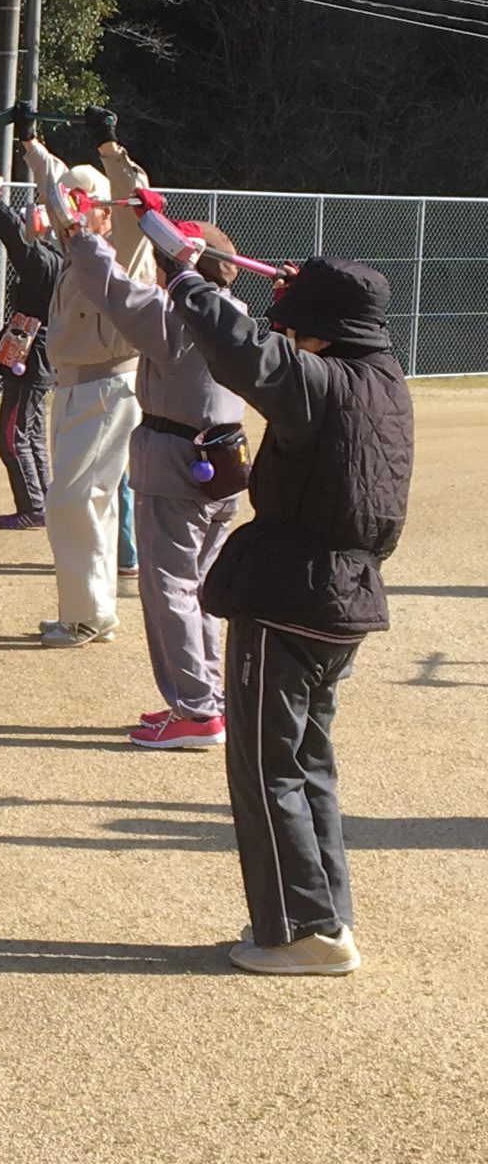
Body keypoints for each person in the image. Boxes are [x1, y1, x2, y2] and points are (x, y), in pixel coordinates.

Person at [159, 234, 413, 975]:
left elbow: (244, 351)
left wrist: (185, 277)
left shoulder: (322, 382)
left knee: (267, 767)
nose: (290, 336)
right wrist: (297, 298)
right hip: (344, 595)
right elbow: (284, 344)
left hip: (291, 593)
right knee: (307, 764)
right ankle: (324, 919)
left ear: (323, 332)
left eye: (300, 326)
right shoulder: (384, 377)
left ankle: (301, 932)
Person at [50, 168, 248, 750]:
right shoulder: (235, 315)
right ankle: (206, 698)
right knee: (201, 588)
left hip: (178, 462)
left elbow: (107, 284)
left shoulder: (178, 320)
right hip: (222, 462)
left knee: (170, 590)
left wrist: (83, 230)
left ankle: (193, 707)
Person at [24, 132, 154, 647]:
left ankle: (87, 617)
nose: (70, 212)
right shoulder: (76, 242)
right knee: (87, 501)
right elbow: (57, 187)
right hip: (77, 386)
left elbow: (133, 192)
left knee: (75, 500)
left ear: (102, 207)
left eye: (84, 203)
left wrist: (109, 148)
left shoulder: (126, 241)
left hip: (107, 386)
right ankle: (89, 613)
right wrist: (33, 146)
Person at [0, 174, 61, 529]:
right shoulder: (61, 257)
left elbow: (18, 243)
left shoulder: (43, 261)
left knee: (12, 435)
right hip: (40, 352)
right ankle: (44, 499)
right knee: (31, 432)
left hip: (33, 354)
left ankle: (33, 504)